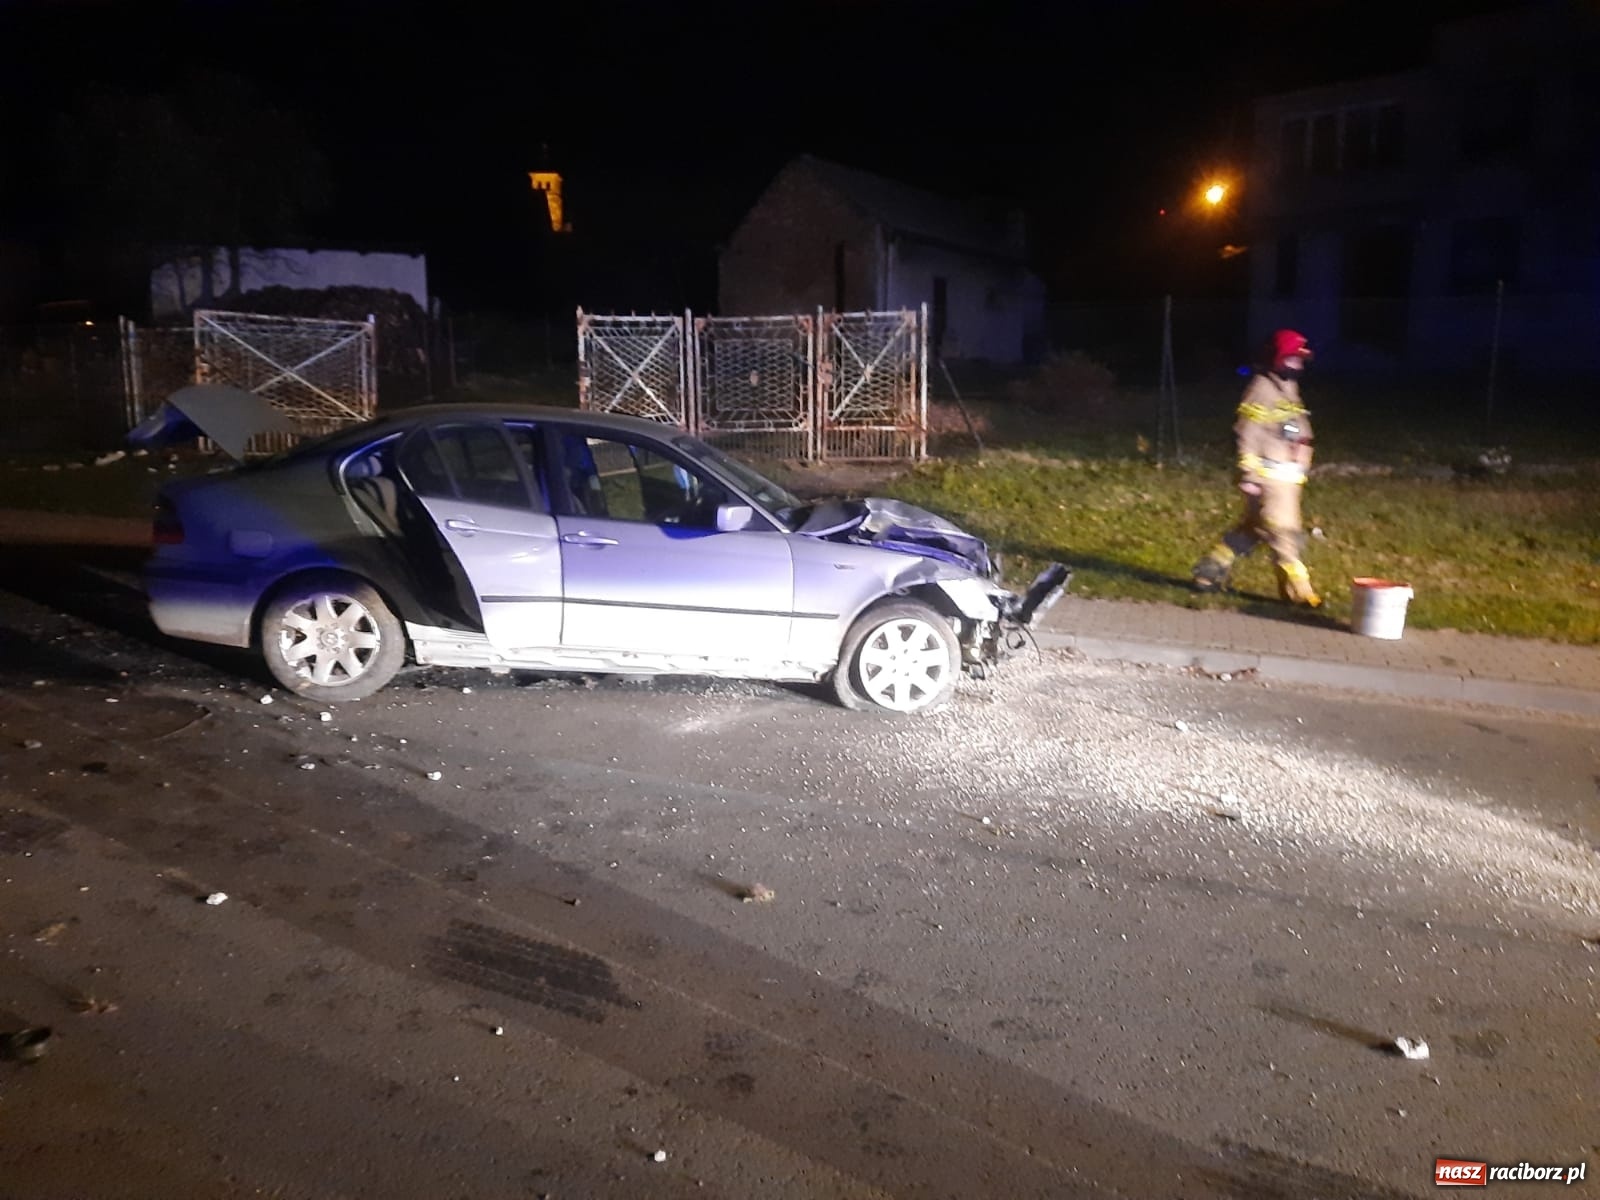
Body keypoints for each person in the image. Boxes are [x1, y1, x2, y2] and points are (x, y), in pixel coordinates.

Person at [1191, 329, 1321, 607]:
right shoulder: (1261, 389)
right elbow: (1246, 433)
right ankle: (1300, 594)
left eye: (1300, 361)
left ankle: (1207, 573)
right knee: (1284, 533)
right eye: (1293, 360)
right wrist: (1249, 476)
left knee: (1253, 530)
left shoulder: (1286, 389)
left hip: (1285, 480)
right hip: (1268, 480)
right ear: (1277, 359)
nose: (1298, 366)